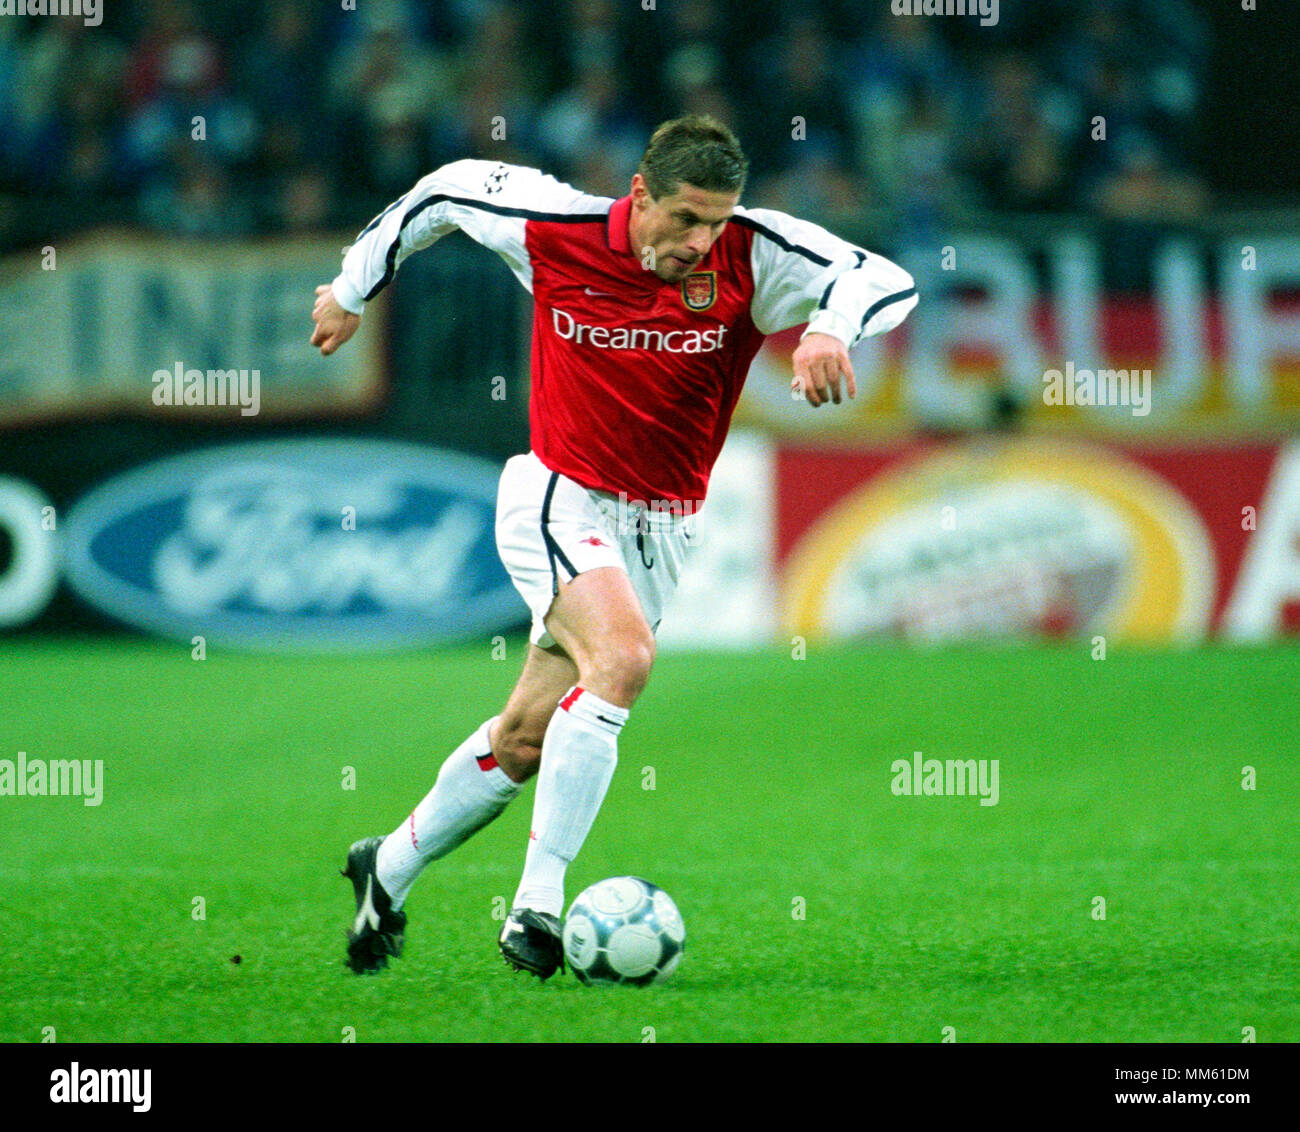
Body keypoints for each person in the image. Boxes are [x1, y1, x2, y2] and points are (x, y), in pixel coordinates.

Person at [310, 115, 917, 979]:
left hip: (663, 524)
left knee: (523, 738)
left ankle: (388, 867)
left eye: (716, 222)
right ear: (640, 196)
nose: (701, 242)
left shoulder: (753, 251)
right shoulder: (557, 227)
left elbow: (881, 279)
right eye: (684, 220)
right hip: (557, 492)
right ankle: (537, 905)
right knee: (626, 659)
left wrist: (830, 329)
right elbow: (442, 191)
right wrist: (352, 287)